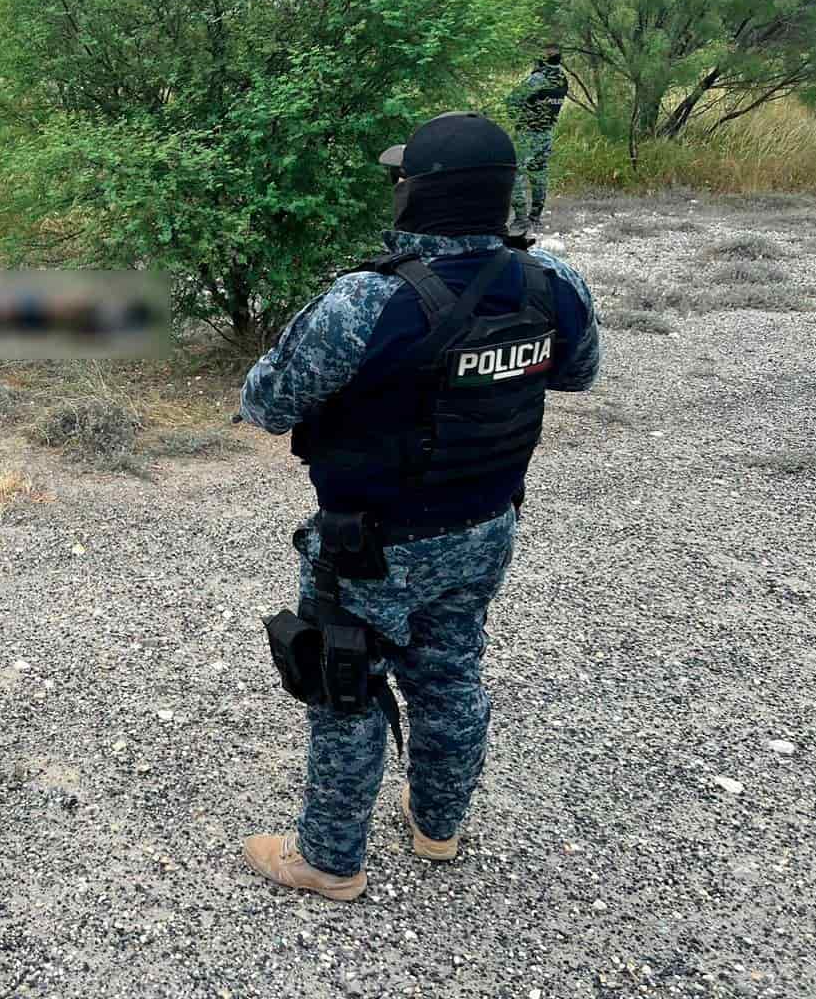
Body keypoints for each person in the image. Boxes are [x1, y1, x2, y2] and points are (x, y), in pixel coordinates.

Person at [237, 112, 601, 901]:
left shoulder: (366, 301)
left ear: (419, 194)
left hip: (373, 546)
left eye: (400, 177)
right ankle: (437, 825)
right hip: (485, 526)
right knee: (450, 673)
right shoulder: (553, 283)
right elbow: (576, 373)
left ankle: (330, 861)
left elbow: (265, 403)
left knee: (345, 685)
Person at [504, 48, 568, 236]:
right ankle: (536, 218)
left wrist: (519, 119)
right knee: (539, 174)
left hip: (528, 134)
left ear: (541, 60)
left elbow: (511, 102)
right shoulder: (563, 79)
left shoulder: (537, 79)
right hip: (546, 133)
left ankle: (521, 219)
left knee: (517, 173)